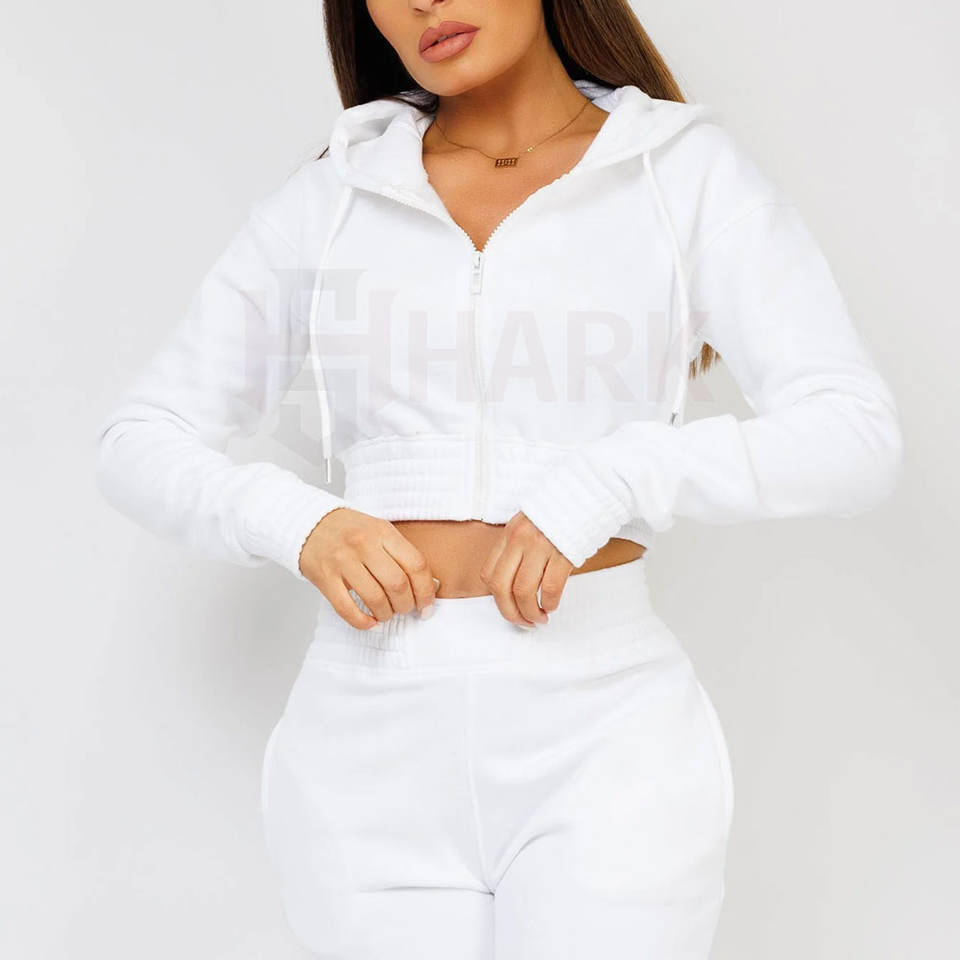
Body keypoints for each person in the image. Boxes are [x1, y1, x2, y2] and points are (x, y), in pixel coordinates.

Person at [94, 1, 904, 957]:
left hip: (603, 734)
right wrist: (296, 520)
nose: (423, 1)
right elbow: (139, 438)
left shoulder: (680, 171)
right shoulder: (334, 194)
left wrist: (618, 476)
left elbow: (854, 433)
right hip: (364, 744)